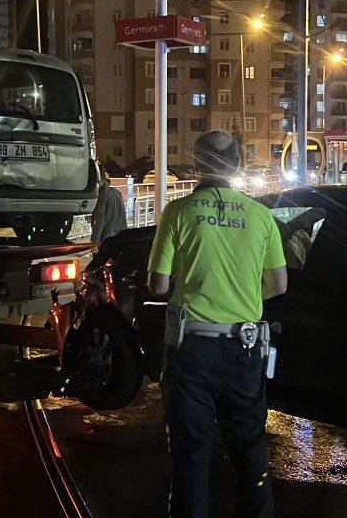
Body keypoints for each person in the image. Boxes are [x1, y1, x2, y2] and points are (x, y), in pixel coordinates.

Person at [147, 131, 288, 518]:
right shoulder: (261, 217)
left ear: (195, 164)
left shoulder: (178, 212)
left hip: (192, 350)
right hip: (245, 349)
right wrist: (243, 295)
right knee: (249, 452)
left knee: (191, 455)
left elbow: (158, 286)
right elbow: (278, 284)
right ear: (237, 167)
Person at [90, 170, 128, 244]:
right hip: (120, 236)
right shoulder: (118, 193)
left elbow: (100, 219)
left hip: (107, 238)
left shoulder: (103, 194)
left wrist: (95, 241)